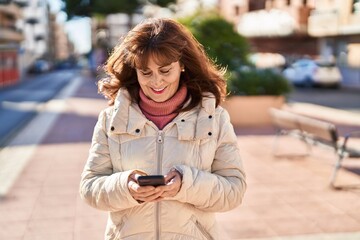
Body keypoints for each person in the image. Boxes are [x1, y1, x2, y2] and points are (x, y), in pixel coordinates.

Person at [80, 18, 246, 240]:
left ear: (182, 65)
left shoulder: (214, 118)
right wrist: (126, 187)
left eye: (165, 70)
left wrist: (186, 184)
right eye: (145, 72)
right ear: (134, 69)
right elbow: (90, 187)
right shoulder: (110, 119)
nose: (156, 82)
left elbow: (234, 191)